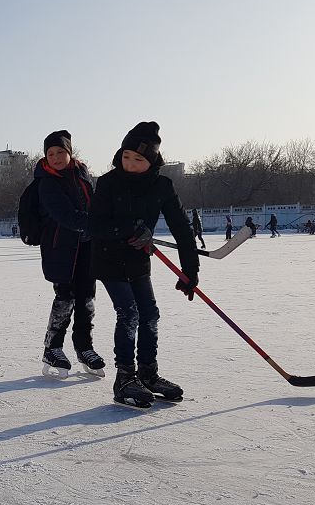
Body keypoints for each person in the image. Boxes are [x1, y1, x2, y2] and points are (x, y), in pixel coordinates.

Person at [90, 121, 198, 408]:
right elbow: (95, 225)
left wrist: (190, 271)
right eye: (126, 156)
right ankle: (125, 378)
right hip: (107, 257)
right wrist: (128, 229)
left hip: (138, 260)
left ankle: (148, 374)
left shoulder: (162, 186)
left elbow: (182, 229)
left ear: (151, 161)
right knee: (129, 314)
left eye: (138, 159)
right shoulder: (108, 182)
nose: (130, 163)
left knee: (150, 315)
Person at [34, 130, 104, 377]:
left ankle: (84, 347)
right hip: (59, 247)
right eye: (50, 153)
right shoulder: (47, 182)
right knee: (66, 296)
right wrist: (96, 223)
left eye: (60, 152)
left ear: (69, 153)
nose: (55, 157)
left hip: (86, 245)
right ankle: (52, 348)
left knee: (86, 298)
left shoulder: (82, 175)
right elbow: (64, 215)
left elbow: (94, 205)